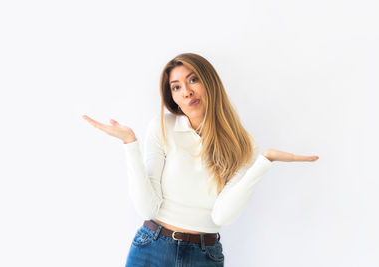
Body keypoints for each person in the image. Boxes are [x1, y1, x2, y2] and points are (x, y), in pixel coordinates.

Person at [82, 53, 319, 266]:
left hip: (204, 256)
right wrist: (130, 144)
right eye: (176, 87)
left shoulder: (243, 145)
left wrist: (263, 162)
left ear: (210, 82)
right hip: (151, 247)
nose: (186, 92)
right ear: (172, 97)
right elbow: (147, 208)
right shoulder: (163, 127)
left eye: (193, 80)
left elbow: (222, 216)